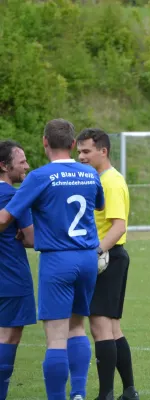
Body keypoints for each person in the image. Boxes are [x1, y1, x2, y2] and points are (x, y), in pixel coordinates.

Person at [0, 119, 105, 400]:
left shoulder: (39, 177)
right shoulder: (90, 173)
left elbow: (5, 218)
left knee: (56, 338)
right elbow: (98, 205)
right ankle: (79, 393)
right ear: (73, 144)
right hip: (87, 258)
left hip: (57, 260)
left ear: (45, 142)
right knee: (77, 327)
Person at [77, 128, 138, 400]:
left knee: (100, 327)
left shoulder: (110, 182)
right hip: (111, 257)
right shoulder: (100, 178)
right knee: (112, 328)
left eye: (86, 151)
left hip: (108, 258)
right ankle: (128, 391)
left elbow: (118, 226)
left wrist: (96, 252)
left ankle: (106, 395)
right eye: (79, 151)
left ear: (104, 151)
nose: (81, 157)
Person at [0, 141, 35, 400]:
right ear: (4, 166)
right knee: (8, 339)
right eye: (21, 161)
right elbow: (32, 239)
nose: (27, 166)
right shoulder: (14, 196)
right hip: (11, 278)